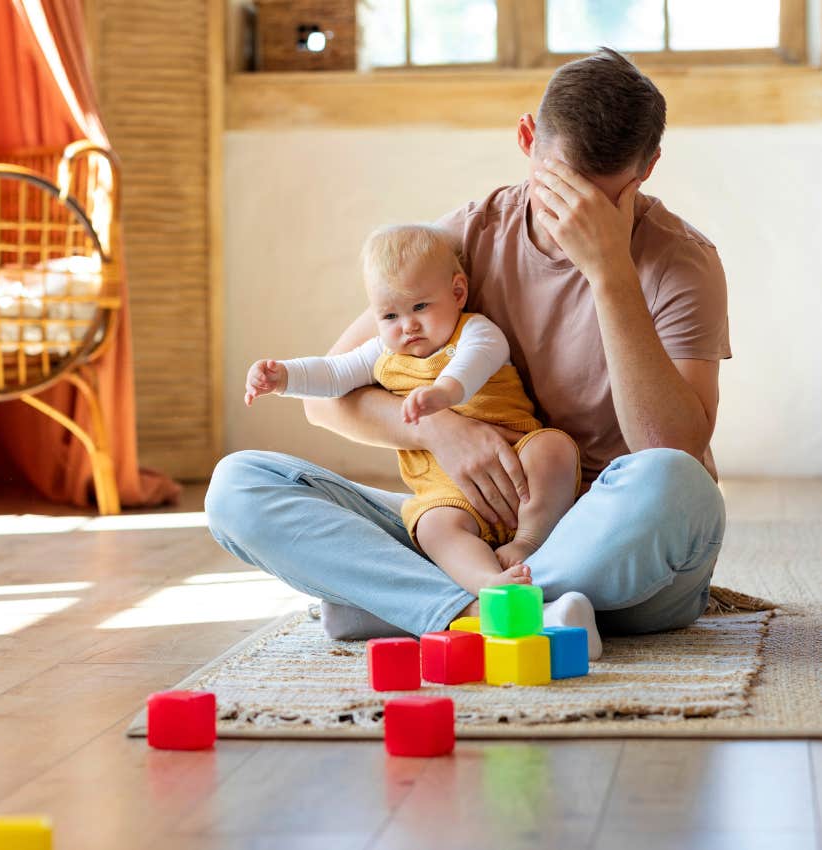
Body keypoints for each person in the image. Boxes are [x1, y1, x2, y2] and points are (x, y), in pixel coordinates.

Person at [205, 47, 729, 653]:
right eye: (560, 187)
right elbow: (328, 401)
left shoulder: (682, 261)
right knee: (240, 485)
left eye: (603, 198)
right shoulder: (466, 239)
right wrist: (440, 432)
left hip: (608, 535)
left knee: (677, 484)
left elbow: (670, 448)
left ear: (648, 169)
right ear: (527, 138)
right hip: (472, 530)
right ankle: (482, 611)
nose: (575, 215)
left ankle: (422, 604)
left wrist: (608, 271)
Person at [243, 223, 582, 601]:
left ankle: (529, 542)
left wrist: (443, 394)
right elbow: (335, 373)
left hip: (517, 461)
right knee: (434, 528)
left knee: (554, 448)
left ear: (457, 292)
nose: (408, 326)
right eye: (390, 317)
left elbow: (473, 365)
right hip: (445, 491)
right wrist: (283, 377)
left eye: (420, 306)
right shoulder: (383, 353)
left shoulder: (476, 332)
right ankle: (486, 583)